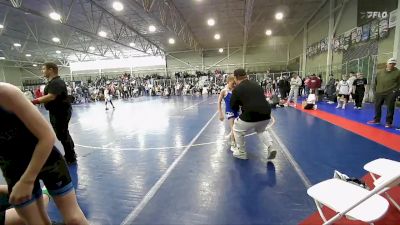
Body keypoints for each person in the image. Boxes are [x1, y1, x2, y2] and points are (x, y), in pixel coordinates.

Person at [0, 82, 89, 224]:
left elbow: (47, 136)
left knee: (74, 218)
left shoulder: (5, 93)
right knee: (37, 222)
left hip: (47, 160)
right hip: (14, 170)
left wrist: (27, 180)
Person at [31, 63, 77, 164]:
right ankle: (71, 154)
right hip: (57, 111)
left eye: (44, 69)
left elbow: (51, 96)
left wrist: (34, 101)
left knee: (62, 134)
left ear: (51, 70)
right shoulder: (53, 82)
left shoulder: (56, 82)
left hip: (60, 112)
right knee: (63, 133)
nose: (42, 71)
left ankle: (71, 156)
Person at [230, 69, 276, 160]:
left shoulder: (237, 89)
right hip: (267, 113)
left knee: (236, 128)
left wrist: (233, 92)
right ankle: (271, 147)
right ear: (245, 75)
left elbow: (233, 106)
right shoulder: (256, 84)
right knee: (261, 130)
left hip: (251, 114)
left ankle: (241, 152)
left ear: (236, 77)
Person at [367, 58, 400, 128]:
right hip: (379, 92)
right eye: (390, 63)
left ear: (395, 64)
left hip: (390, 93)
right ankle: (377, 120)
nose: (392, 65)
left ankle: (388, 122)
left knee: (390, 108)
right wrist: (375, 91)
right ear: (387, 64)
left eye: (393, 64)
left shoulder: (398, 72)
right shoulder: (380, 72)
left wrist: (395, 92)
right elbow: (375, 82)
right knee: (377, 106)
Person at [218, 75, 239, 152]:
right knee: (233, 127)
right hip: (229, 111)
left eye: (234, 83)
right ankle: (233, 144)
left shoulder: (235, 89)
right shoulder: (224, 91)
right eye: (232, 83)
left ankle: (230, 135)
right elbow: (219, 102)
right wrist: (220, 113)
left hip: (236, 111)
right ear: (228, 82)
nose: (234, 84)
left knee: (237, 126)